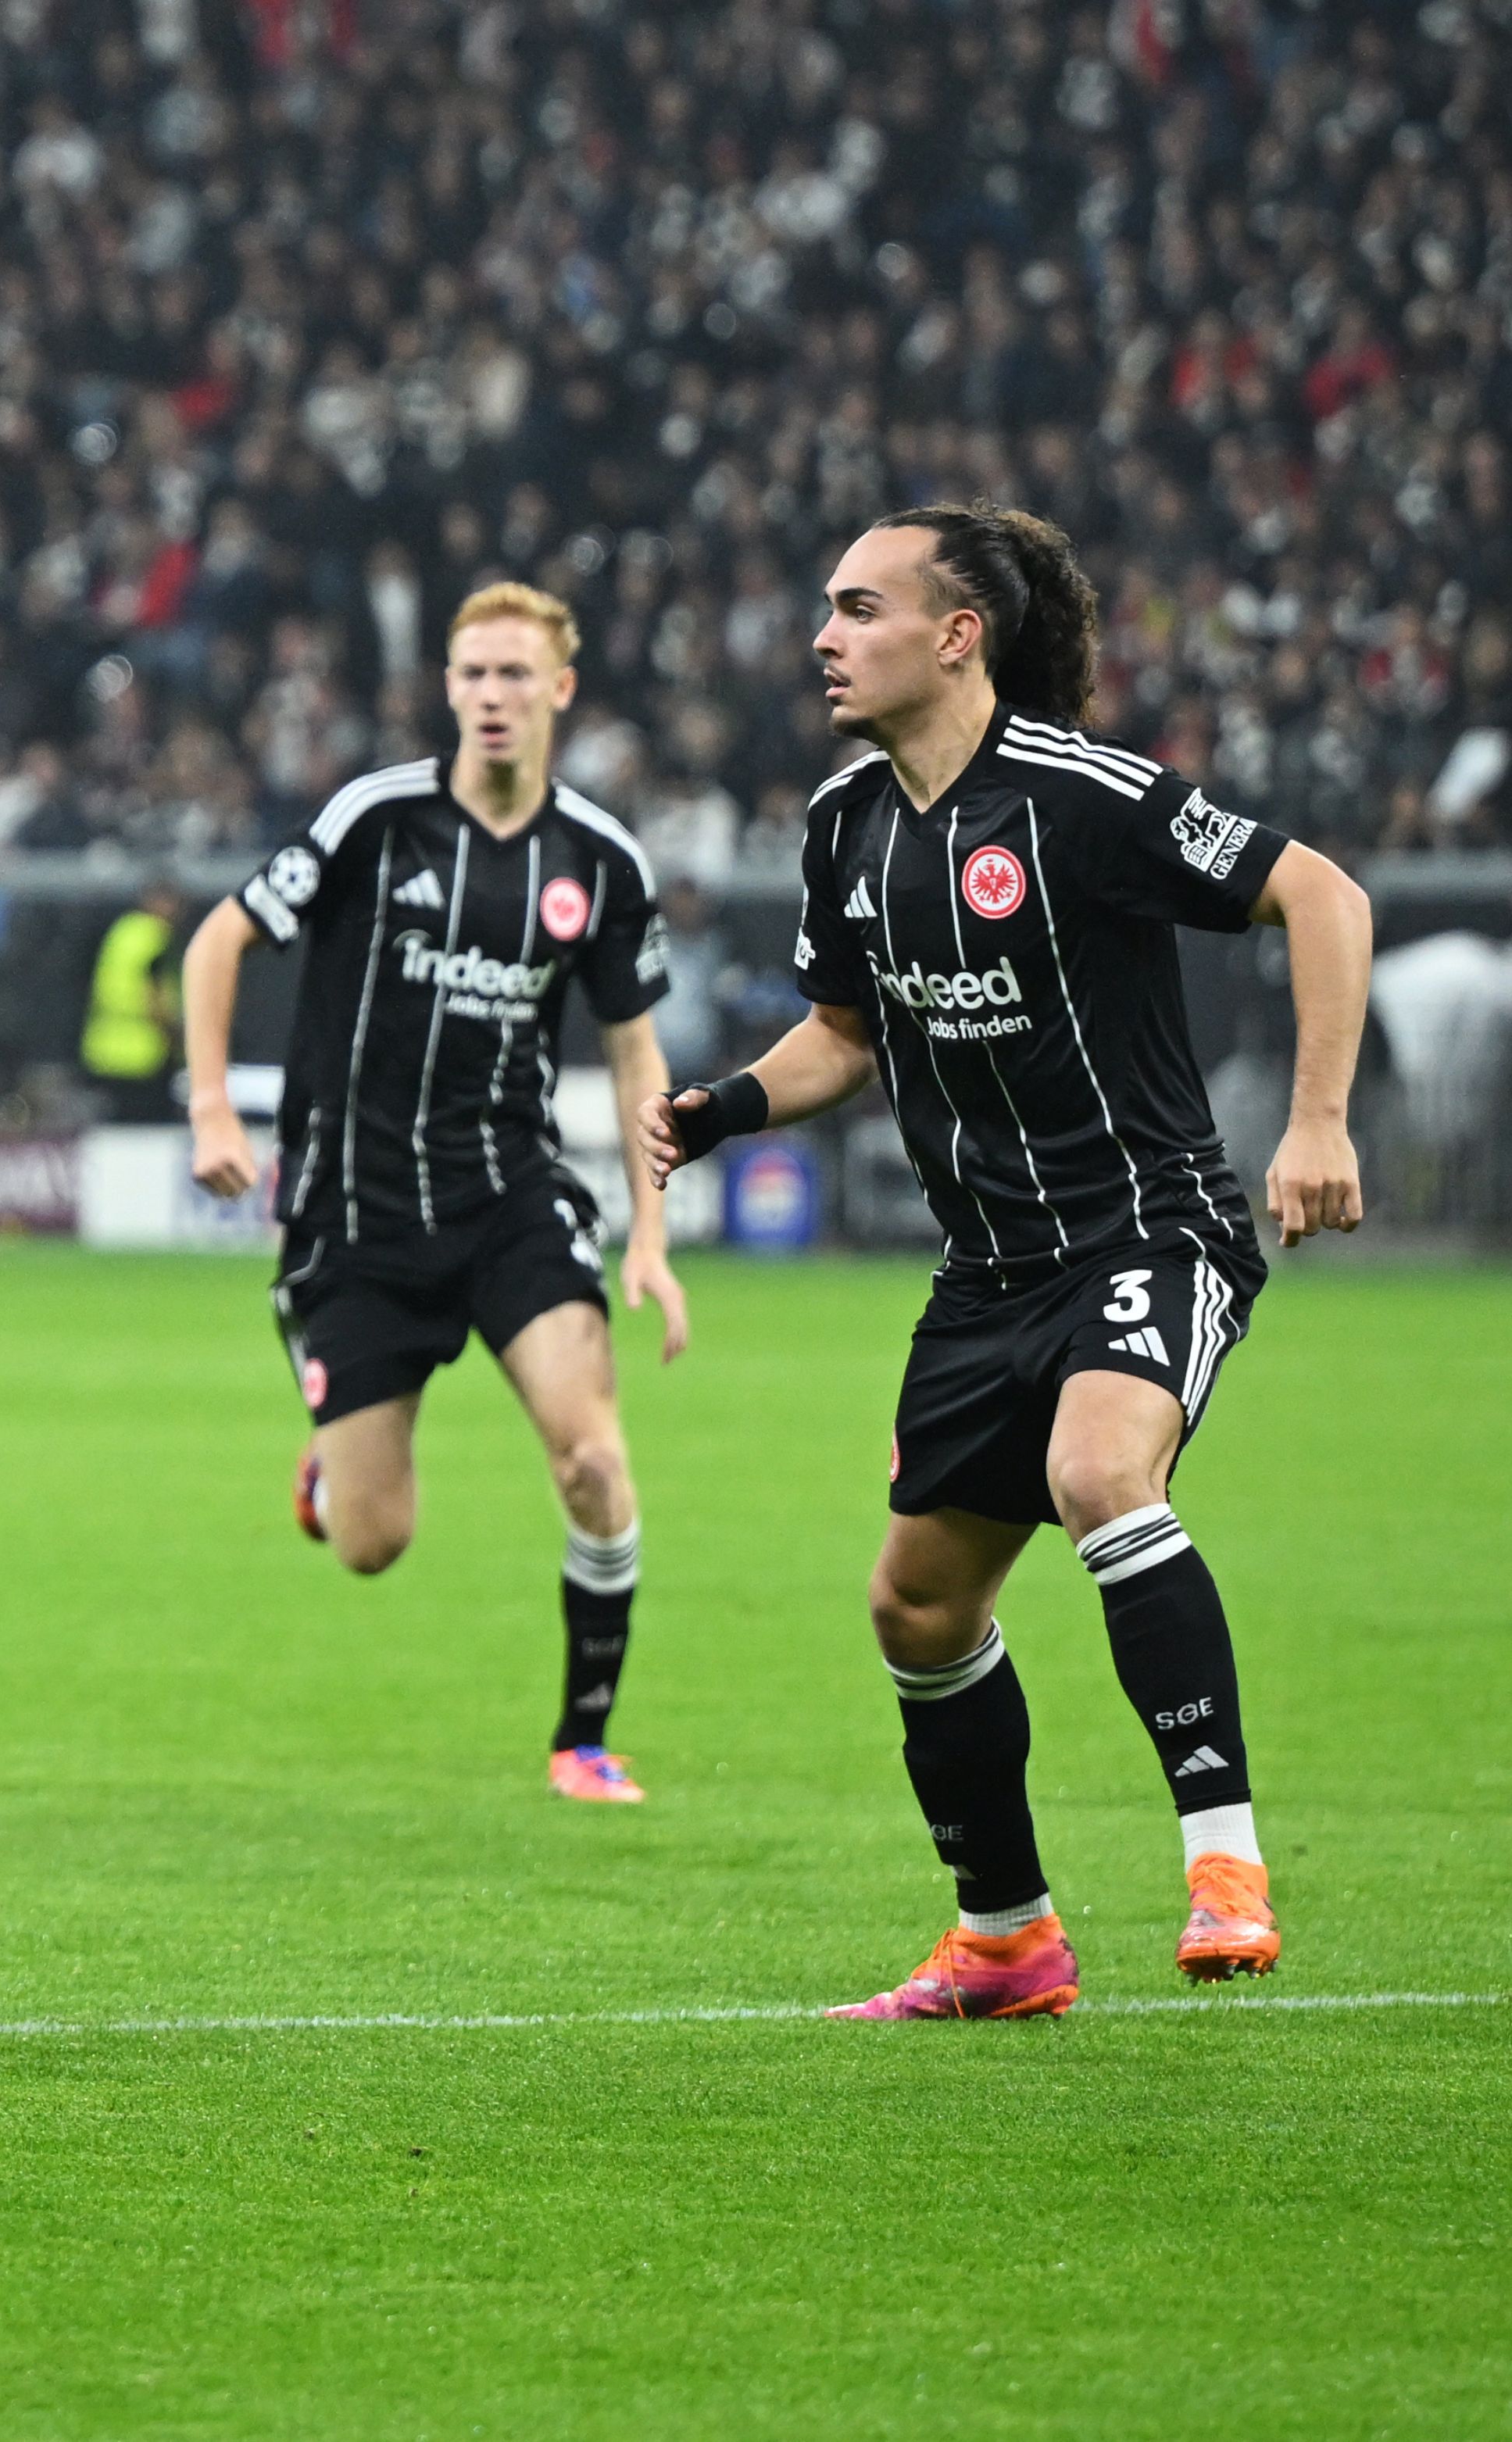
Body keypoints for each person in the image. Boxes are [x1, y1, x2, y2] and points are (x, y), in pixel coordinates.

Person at [644, 502, 1372, 2018]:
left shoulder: (1080, 792)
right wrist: (717, 1106)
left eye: (857, 607)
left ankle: (1224, 1861)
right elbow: (843, 1034)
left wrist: (1315, 1122)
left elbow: (1323, 892)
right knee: (914, 1604)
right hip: (985, 1269)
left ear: (954, 632)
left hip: (1145, 1224)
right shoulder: (843, 822)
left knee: (1101, 1470)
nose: (823, 636)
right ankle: (1003, 1938)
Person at [181, 585, 690, 1803]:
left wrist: (652, 1240)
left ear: (560, 690)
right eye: (472, 676)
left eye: (516, 676)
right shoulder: (377, 817)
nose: (491, 698)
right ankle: (328, 1460)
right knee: (372, 1542)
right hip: (356, 1212)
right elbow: (219, 940)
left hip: (511, 1194)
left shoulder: (601, 861)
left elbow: (635, 1054)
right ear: (448, 687)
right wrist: (209, 1104)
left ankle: (584, 1737)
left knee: (593, 1459)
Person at [79, 879, 184, 1125]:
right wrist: (177, 1037)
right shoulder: (156, 936)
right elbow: (154, 994)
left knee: (116, 1129)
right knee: (146, 1131)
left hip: (104, 1050)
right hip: (143, 1056)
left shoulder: (122, 930)